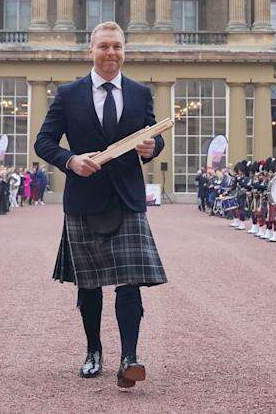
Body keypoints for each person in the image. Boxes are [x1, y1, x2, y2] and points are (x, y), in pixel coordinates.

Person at [36, 21, 167, 389]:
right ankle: (93, 351)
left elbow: (154, 137)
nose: (111, 53)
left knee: (130, 282)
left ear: (125, 51)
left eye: (117, 47)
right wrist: (71, 160)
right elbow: (44, 143)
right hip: (84, 197)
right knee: (89, 285)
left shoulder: (141, 94)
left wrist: (151, 148)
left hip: (126, 197)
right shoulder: (68, 94)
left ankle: (130, 357)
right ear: (90, 51)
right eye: (104, 46)